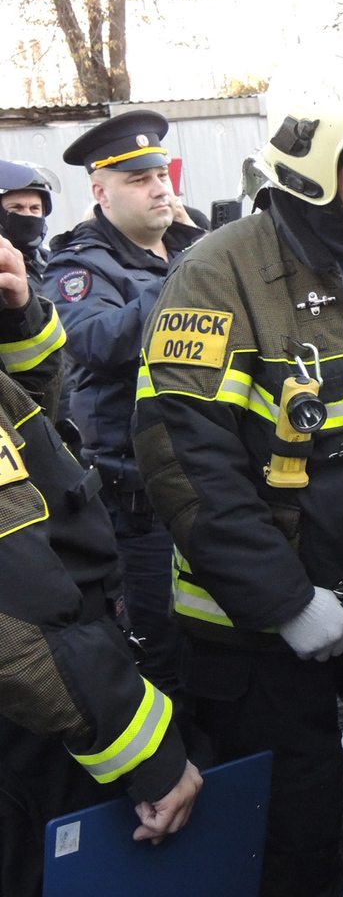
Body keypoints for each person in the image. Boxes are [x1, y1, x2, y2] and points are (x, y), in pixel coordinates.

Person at [131, 34, 343, 897]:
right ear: (319, 160)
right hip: (260, 624)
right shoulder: (217, 275)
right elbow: (184, 461)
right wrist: (286, 601)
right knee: (294, 824)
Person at [0, 160, 202, 897]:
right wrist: (147, 757)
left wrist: (16, 319)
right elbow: (24, 615)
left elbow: (32, 409)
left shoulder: (187, 242)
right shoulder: (91, 266)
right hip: (40, 703)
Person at [42, 111, 202, 696]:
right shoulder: (79, 267)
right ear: (101, 192)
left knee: (232, 640)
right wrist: (192, 279)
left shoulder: (193, 245)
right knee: (164, 650)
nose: (161, 187)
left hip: (219, 481)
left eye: (162, 174)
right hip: (142, 503)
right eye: (140, 180)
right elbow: (94, 342)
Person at [0, 163, 66, 418]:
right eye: (16, 208)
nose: (27, 216)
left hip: (59, 408)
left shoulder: (53, 263)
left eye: (34, 208)